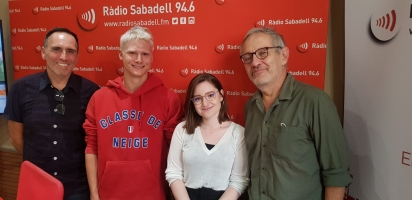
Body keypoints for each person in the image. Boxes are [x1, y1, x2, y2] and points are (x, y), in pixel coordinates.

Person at [239, 27, 352, 200]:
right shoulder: (250, 108)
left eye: (263, 53)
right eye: (247, 58)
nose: (254, 62)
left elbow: (335, 174)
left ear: (283, 55)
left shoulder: (315, 102)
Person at [83, 26, 184, 200]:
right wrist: (94, 193)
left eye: (145, 54)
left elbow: (177, 153)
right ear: (120, 55)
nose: (139, 59)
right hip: (108, 194)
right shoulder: (99, 98)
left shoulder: (168, 99)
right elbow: (92, 147)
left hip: (153, 194)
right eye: (132, 53)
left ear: (152, 57)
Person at [4, 27, 100, 200]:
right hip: (36, 184)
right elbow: (16, 138)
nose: (64, 56)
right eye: (57, 49)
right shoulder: (20, 88)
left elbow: (94, 142)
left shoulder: (92, 91)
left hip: (77, 187)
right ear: (43, 52)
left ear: (77, 57)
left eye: (70, 51)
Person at [166, 73, 249, 200]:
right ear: (192, 102)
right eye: (198, 98)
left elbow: (239, 181)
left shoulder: (238, 133)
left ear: (221, 95)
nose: (205, 103)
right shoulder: (182, 129)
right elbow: (174, 173)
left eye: (210, 95)